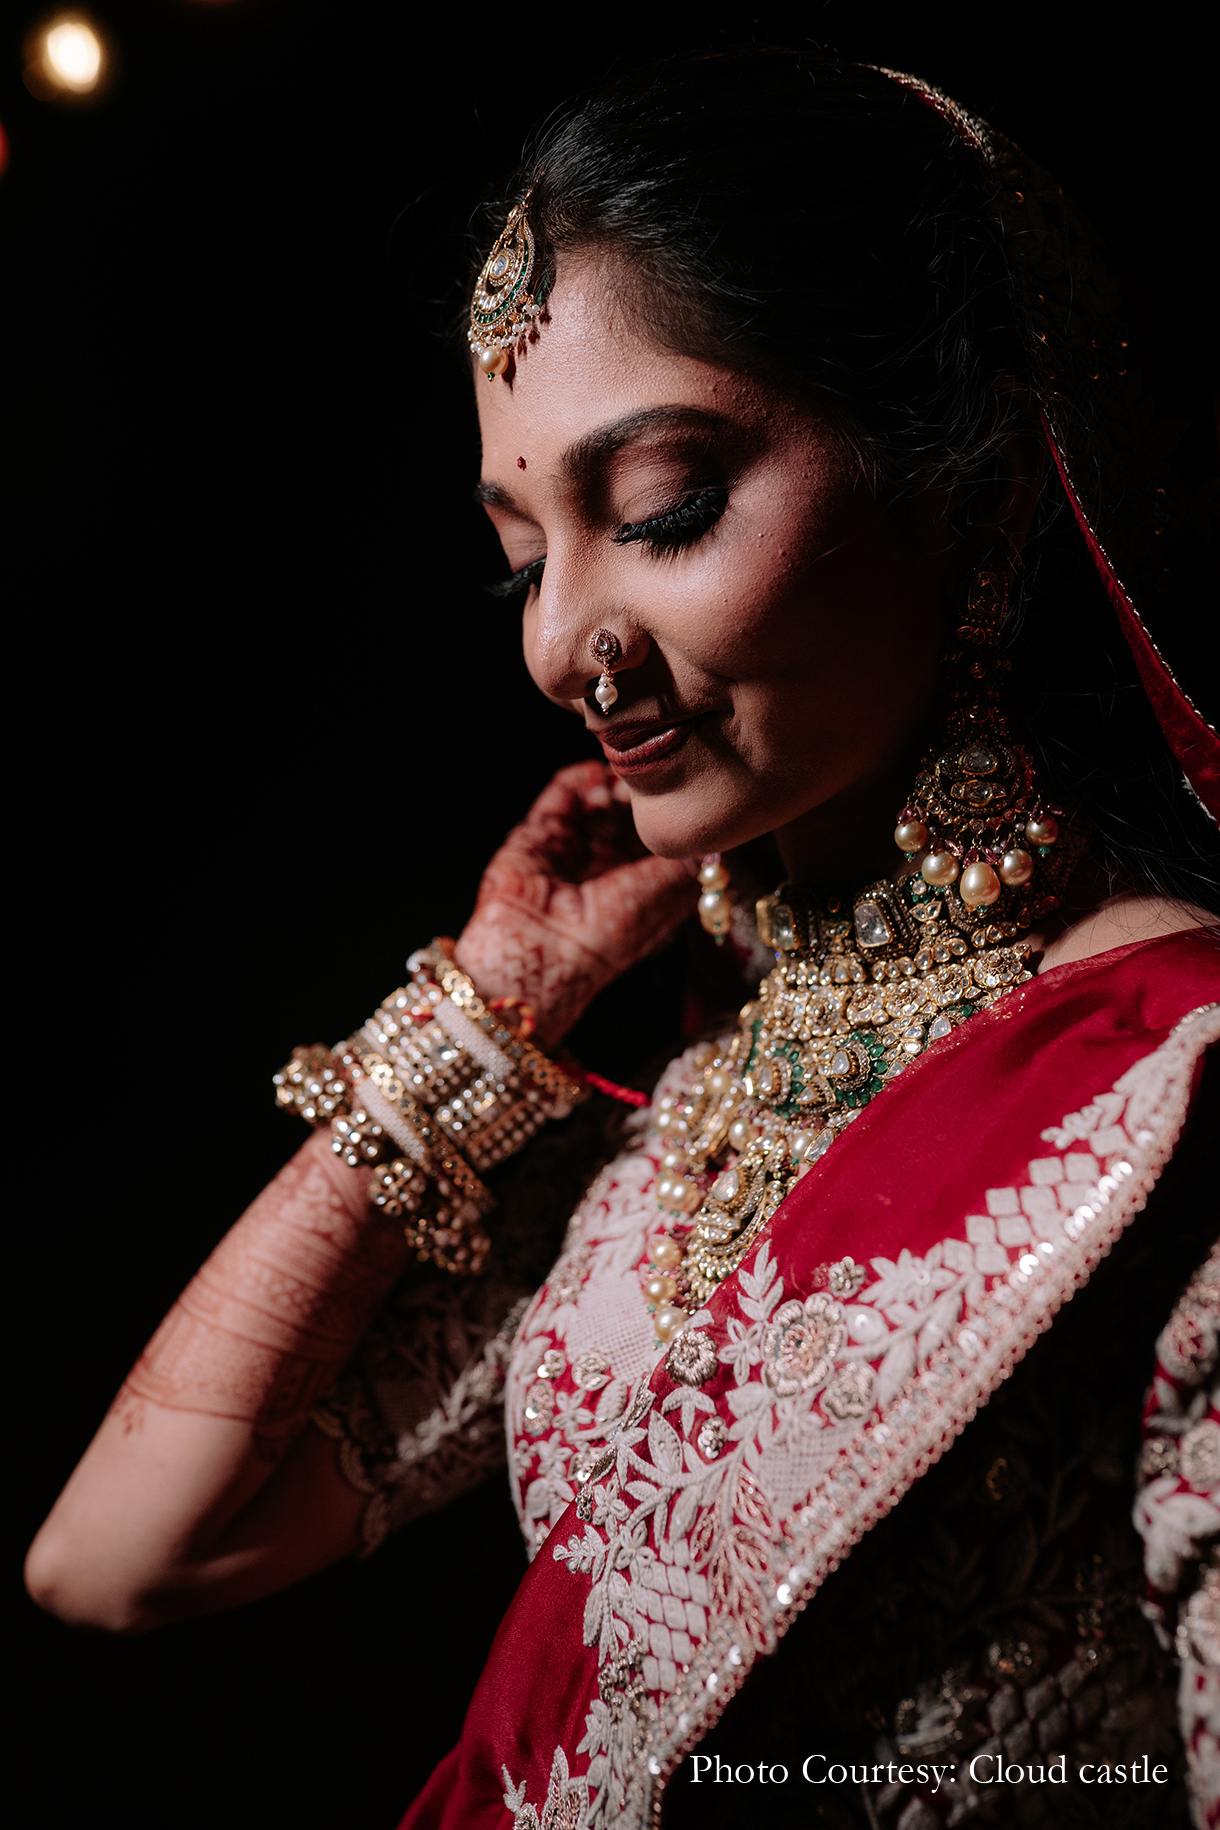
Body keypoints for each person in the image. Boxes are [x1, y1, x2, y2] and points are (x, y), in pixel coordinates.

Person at [26, 47, 1219, 1830]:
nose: (565, 637)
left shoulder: (1179, 1092)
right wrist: (495, 1001)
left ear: (971, 489)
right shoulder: (671, 1101)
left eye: (658, 511)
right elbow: (124, 1549)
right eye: (522, 559)